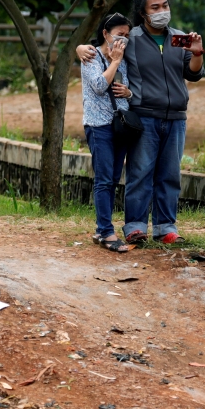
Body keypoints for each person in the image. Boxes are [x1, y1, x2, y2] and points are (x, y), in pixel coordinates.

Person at [77, 0, 205, 244]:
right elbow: (102, 45)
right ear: (143, 12)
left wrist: (198, 52)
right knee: (140, 172)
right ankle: (135, 226)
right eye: (154, 7)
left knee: (169, 174)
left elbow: (193, 73)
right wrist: (79, 48)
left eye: (165, 6)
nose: (161, 11)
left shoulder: (178, 38)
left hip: (176, 117)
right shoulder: (131, 38)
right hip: (143, 116)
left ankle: (165, 228)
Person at [82, 13, 133, 253]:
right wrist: (113, 61)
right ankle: (107, 231)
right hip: (98, 126)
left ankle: (101, 230)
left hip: (119, 125)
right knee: (103, 180)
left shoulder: (123, 59)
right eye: (119, 35)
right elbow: (100, 86)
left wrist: (129, 93)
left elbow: (127, 87)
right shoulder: (90, 56)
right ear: (105, 33)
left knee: (113, 178)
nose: (123, 40)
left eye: (126, 35)